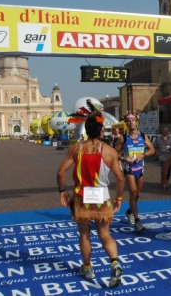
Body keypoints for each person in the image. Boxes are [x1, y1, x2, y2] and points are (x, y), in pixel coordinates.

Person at [57, 110, 125, 288]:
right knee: (105, 233)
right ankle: (114, 263)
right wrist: (118, 198)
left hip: (82, 197)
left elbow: (60, 172)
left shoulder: (76, 148)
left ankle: (87, 267)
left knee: (84, 235)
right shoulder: (109, 151)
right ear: (102, 131)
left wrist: (62, 191)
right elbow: (120, 178)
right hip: (102, 196)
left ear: (86, 129)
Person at [115, 112, 155, 231]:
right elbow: (114, 153)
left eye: (133, 120)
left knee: (138, 194)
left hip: (140, 168)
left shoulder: (143, 136)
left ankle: (129, 211)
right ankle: (137, 221)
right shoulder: (123, 137)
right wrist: (123, 158)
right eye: (129, 121)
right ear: (126, 123)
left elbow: (152, 150)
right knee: (132, 192)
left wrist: (143, 155)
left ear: (136, 122)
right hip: (129, 169)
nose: (131, 122)